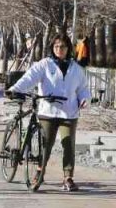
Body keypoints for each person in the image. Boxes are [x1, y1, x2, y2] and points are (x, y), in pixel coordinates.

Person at [10, 34, 91, 191]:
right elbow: (29, 78)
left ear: (69, 48)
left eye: (63, 46)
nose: (59, 49)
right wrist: (15, 89)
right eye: (56, 46)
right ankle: (39, 172)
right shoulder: (45, 64)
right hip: (48, 111)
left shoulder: (76, 68)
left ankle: (68, 177)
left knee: (68, 143)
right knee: (45, 144)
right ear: (52, 48)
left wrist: (84, 99)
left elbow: (83, 88)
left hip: (69, 112)